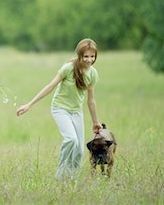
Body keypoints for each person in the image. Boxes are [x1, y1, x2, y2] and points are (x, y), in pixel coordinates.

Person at [16, 38, 102, 180]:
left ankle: (72, 179)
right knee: (71, 139)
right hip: (60, 108)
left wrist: (95, 121)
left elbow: (91, 100)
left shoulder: (93, 73)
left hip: (76, 112)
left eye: (92, 56)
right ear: (79, 55)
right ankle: (61, 174)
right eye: (86, 56)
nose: (89, 60)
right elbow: (50, 86)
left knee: (80, 150)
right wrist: (29, 104)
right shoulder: (68, 68)